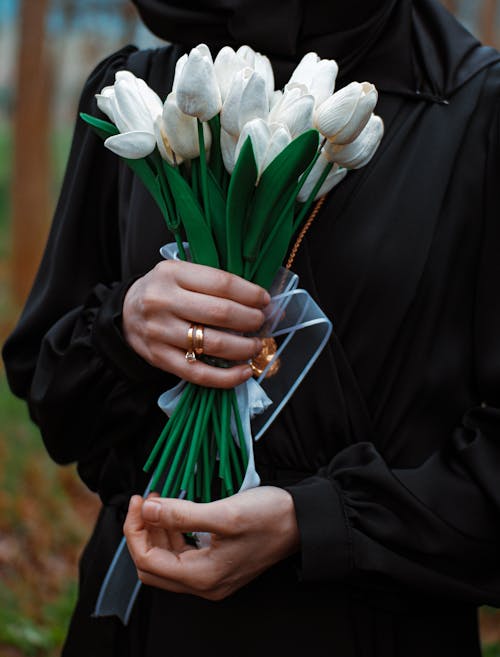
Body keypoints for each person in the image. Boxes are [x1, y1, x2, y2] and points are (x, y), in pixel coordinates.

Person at [3, 0, 500, 655]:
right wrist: (124, 325)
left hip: (368, 627)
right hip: (139, 622)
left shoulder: (474, 109)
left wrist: (315, 522)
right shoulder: (140, 85)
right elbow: (51, 385)